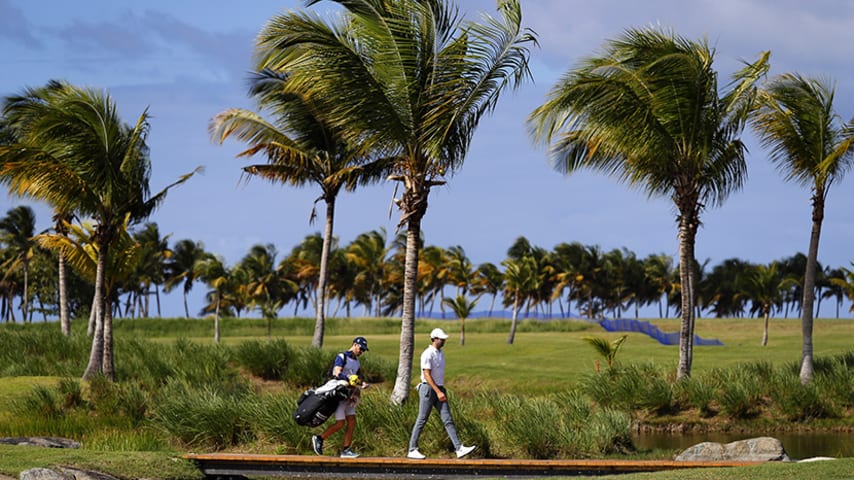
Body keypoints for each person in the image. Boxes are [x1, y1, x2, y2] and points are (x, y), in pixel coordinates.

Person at [407, 328, 476, 460]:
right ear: (434, 339)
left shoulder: (440, 353)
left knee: (447, 419)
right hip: (428, 389)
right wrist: (438, 392)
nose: (444, 341)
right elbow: (426, 375)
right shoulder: (427, 354)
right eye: (441, 339)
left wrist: (440, 390)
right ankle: (412, 449)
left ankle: (459, 448)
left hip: (439, 388)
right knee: (422, 419)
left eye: (444, 339)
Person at [311, 336, 369, 458]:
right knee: (340, 423)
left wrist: (361, 384)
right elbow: (336, 372)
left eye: (363, 350)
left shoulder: (357, 362)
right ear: (354, 345)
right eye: (360, 349)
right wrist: (348, 379)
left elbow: (356, 379)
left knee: (352, 421)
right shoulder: (342, 356)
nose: (361, 352)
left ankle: (346, 449)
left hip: (349, 396)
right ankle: (319, 438)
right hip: (339, 395)